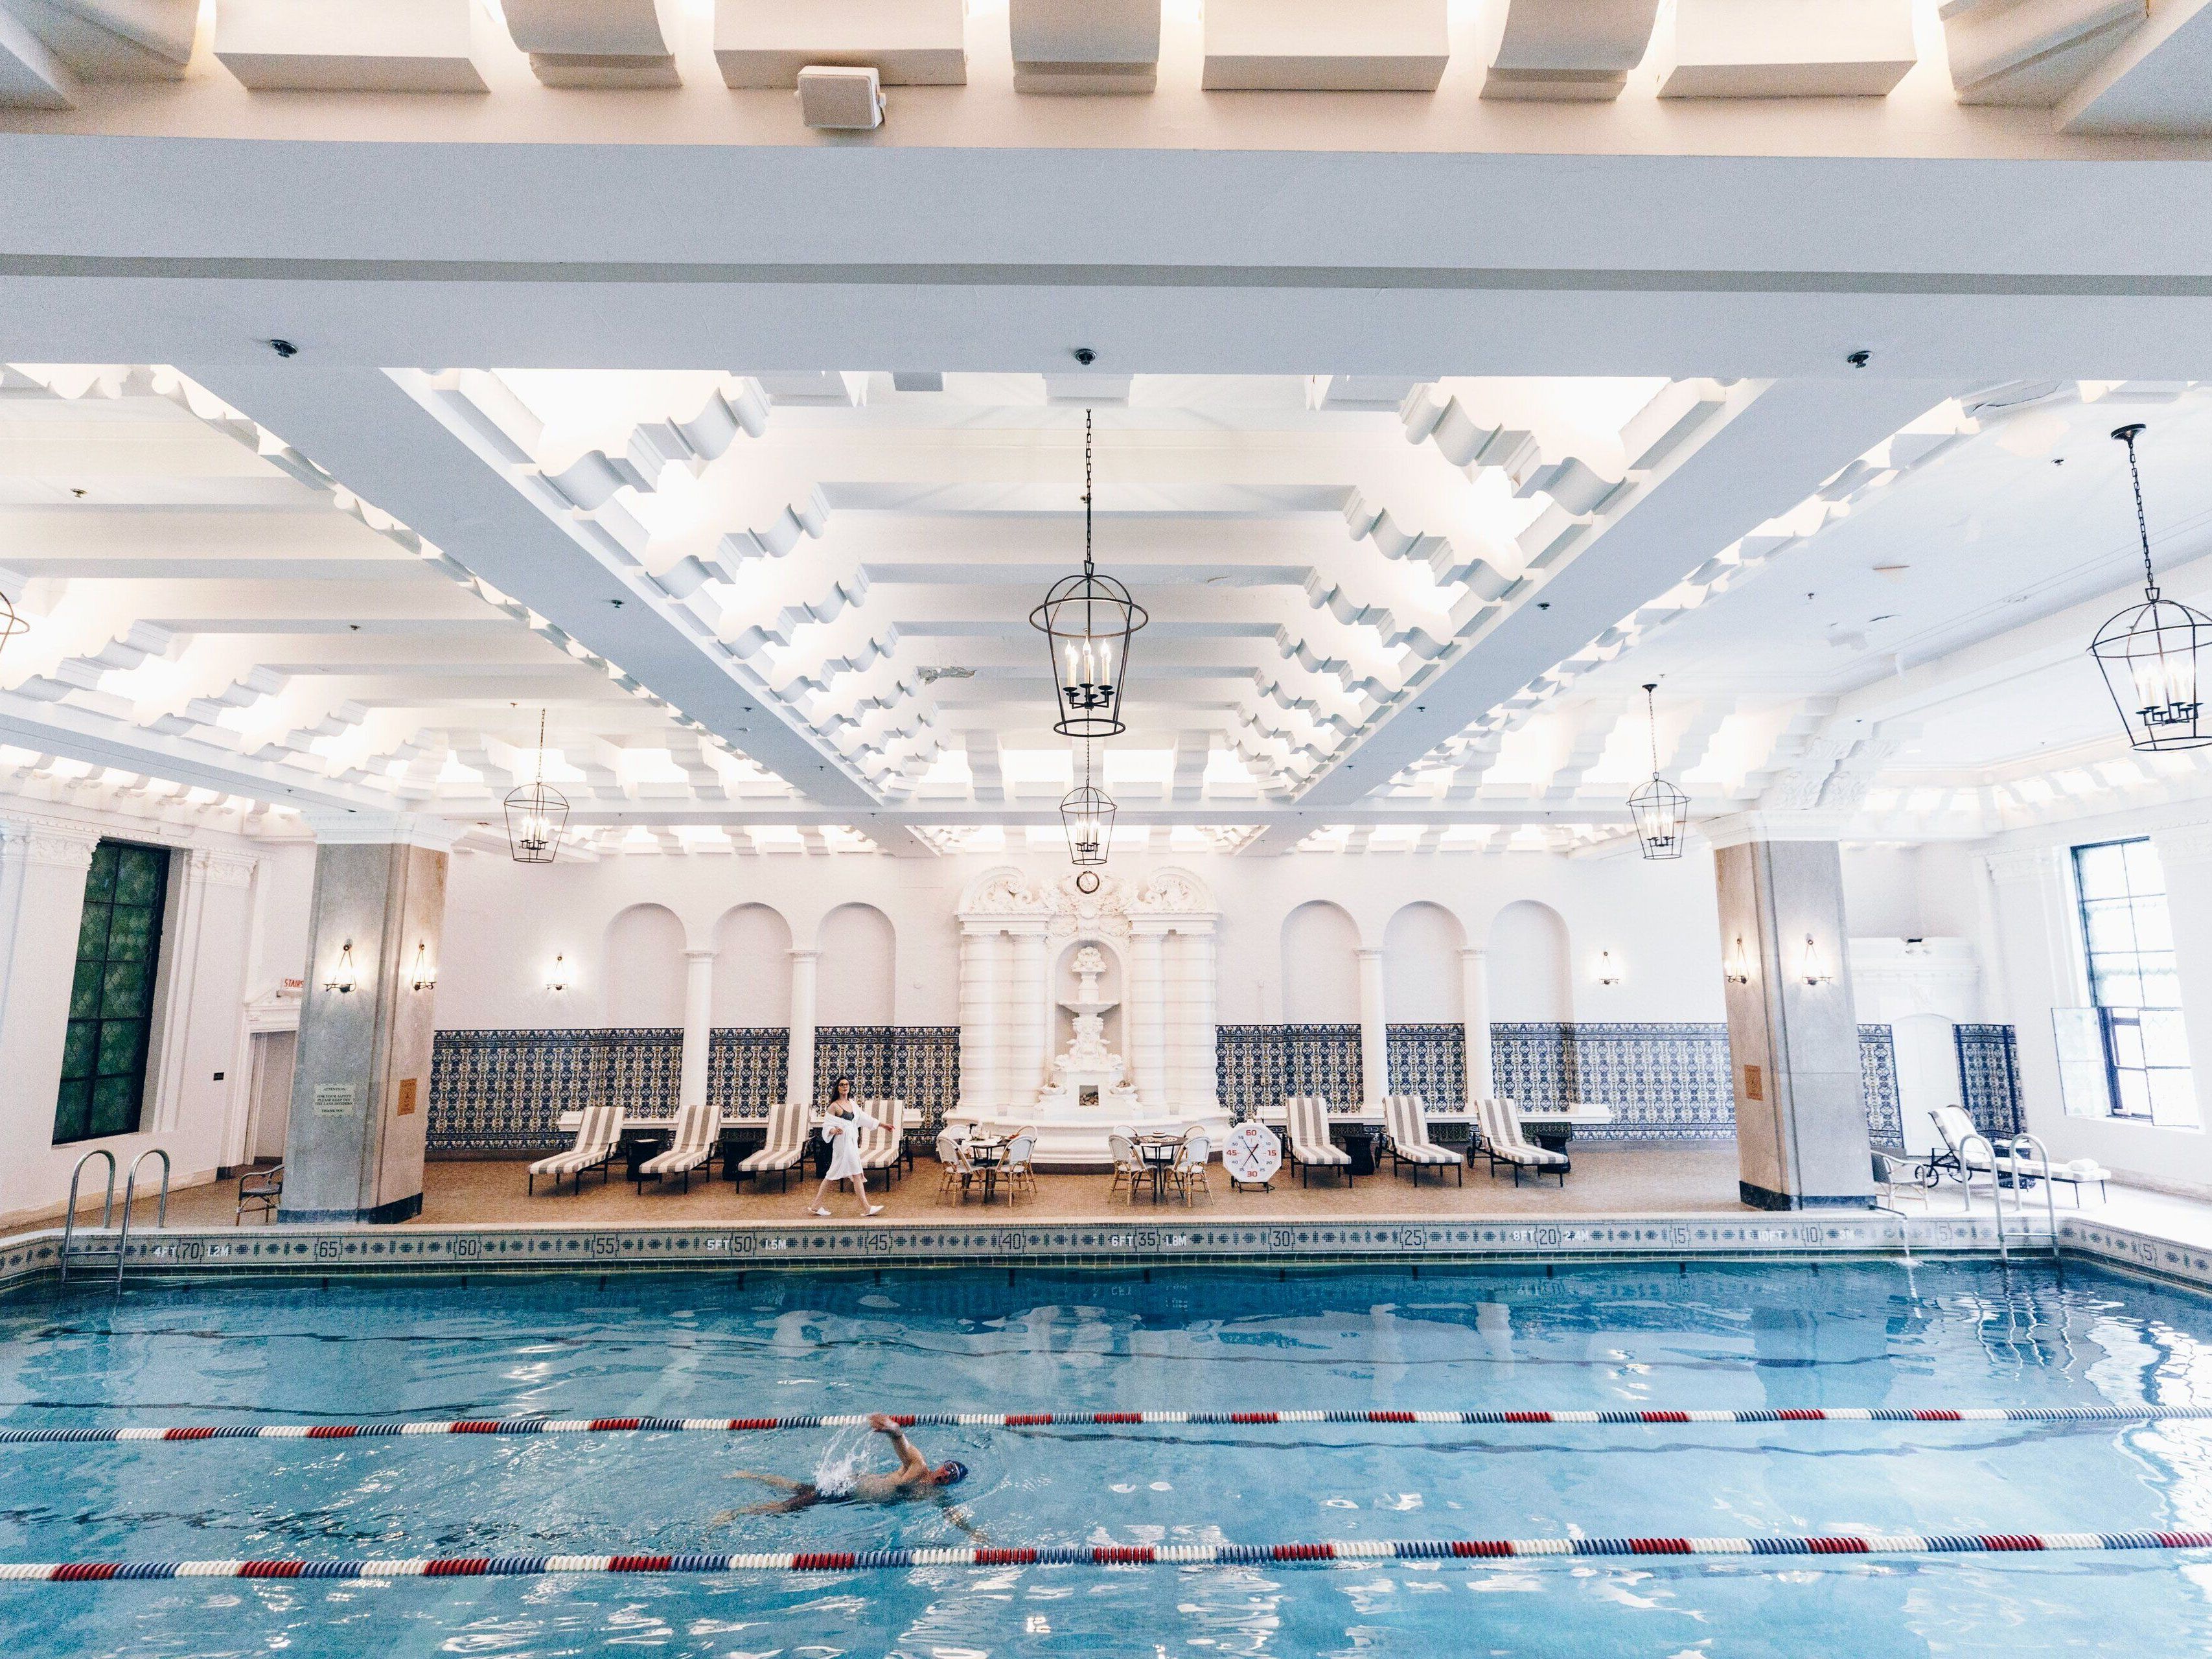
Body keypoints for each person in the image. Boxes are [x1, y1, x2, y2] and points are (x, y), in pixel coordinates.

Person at [719, 1414, 982, 1538]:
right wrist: (893, 1429)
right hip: (848, 1488)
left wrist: (972, 1533)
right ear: (941, 1466)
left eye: (951, 1477)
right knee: (792, 1506)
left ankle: (749, 1476)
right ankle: (737, 1513)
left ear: (951, 1483)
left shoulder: (934, 1495)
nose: (945, 1476)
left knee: (798, 1489)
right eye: (947, 1469)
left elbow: (952, 1514)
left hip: (850, 1497)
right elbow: (902, 1442)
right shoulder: (917, 1466)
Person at [809, 1078, 882, 1218]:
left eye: (847, 1085)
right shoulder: (834, 1106)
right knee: (856, 1173)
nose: (844, 1087)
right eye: (842, 1085)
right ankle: (866, 1208)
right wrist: (833, 1131)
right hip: (843, 1144)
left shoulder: (852, 1104)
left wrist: (882, 1125)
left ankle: (816, 1205)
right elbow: (827, 1126)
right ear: (837, 1088)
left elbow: (864, 1118)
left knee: (834, 1174)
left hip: (851, 1143)